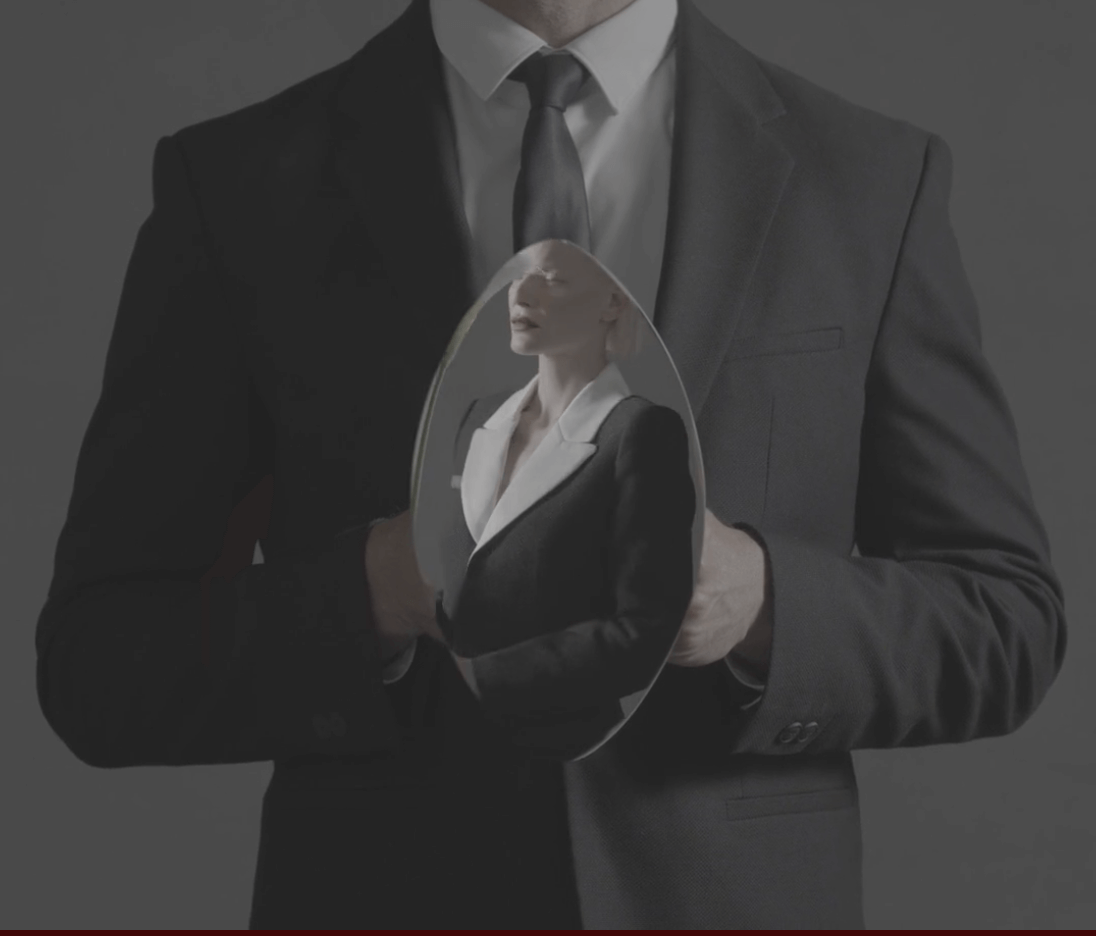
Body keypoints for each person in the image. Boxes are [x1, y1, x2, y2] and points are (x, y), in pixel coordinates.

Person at [33, 0, 1066, 929]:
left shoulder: (870, 178)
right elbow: (101, 664)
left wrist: (756, 605)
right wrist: (377, 592)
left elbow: (1003, 621)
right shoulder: (241, 183)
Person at [427, 238, 696, 759]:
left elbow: (645, 632)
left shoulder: (640, 432)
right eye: (519, 275)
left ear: (614, 302)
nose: (520, 295)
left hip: (574, 756)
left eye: (551, 279)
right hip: (449, 759)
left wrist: (480, 678)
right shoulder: (480, 419)